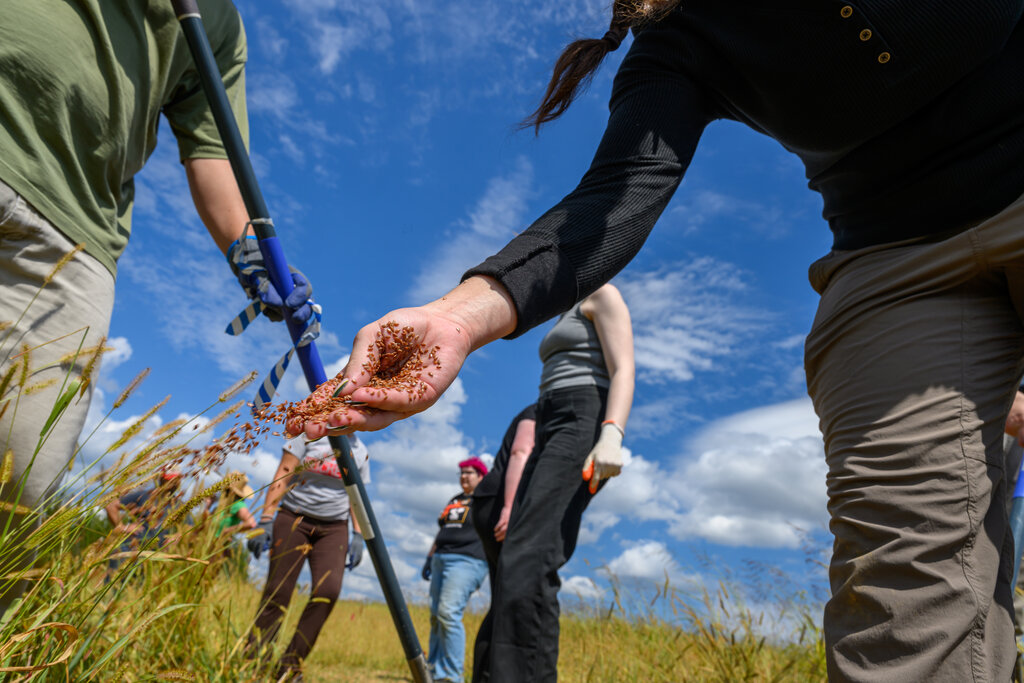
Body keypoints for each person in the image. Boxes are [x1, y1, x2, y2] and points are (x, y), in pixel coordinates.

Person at [288, 2, 1024, 680]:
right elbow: (615, 196)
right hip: (891, 259)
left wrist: (609, 431)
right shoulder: (677, 40)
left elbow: (625, 360)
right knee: (902, 601)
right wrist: (459, 314)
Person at [0, 1, 311, 611]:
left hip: (78, 228)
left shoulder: (215, 24)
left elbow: (213, 149)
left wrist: (251, 255)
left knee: (24, 481)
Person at [474, 285, 633, 682]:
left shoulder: (604, 295)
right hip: (549, 413)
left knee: (532, 555)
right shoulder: (567, 307)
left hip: (582, 415)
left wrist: (612, 433)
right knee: (512, 555)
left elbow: (624, 368)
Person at [246, 432, 370, 682]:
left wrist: (359, 534)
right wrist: (266, 519)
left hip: (334, 528)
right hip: (293, 517)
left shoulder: (360, 450)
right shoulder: (308, 437)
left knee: (329, 591)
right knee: (278, 591)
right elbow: (284, 472)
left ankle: (289, 667)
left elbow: (357, 495)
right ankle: (255, 662)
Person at [421, 457, 490, 683]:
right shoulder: (455, 499)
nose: (464, 477)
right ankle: (433, 669)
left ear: (481, 476)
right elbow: (442, 531)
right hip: (441, 557)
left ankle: (451, 676)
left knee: (448, 613)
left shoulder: (486, 499)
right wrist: (430, 558)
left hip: (467, 560)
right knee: (435, 616)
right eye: (461, 473)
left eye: (469, 473)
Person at [471, 405, 537, 579]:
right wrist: (510, 508)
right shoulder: (537, 410)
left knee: (503, 579)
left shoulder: (530, 411)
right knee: (514, 579)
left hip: (488, 498)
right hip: (500, 498)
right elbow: (520, 452)